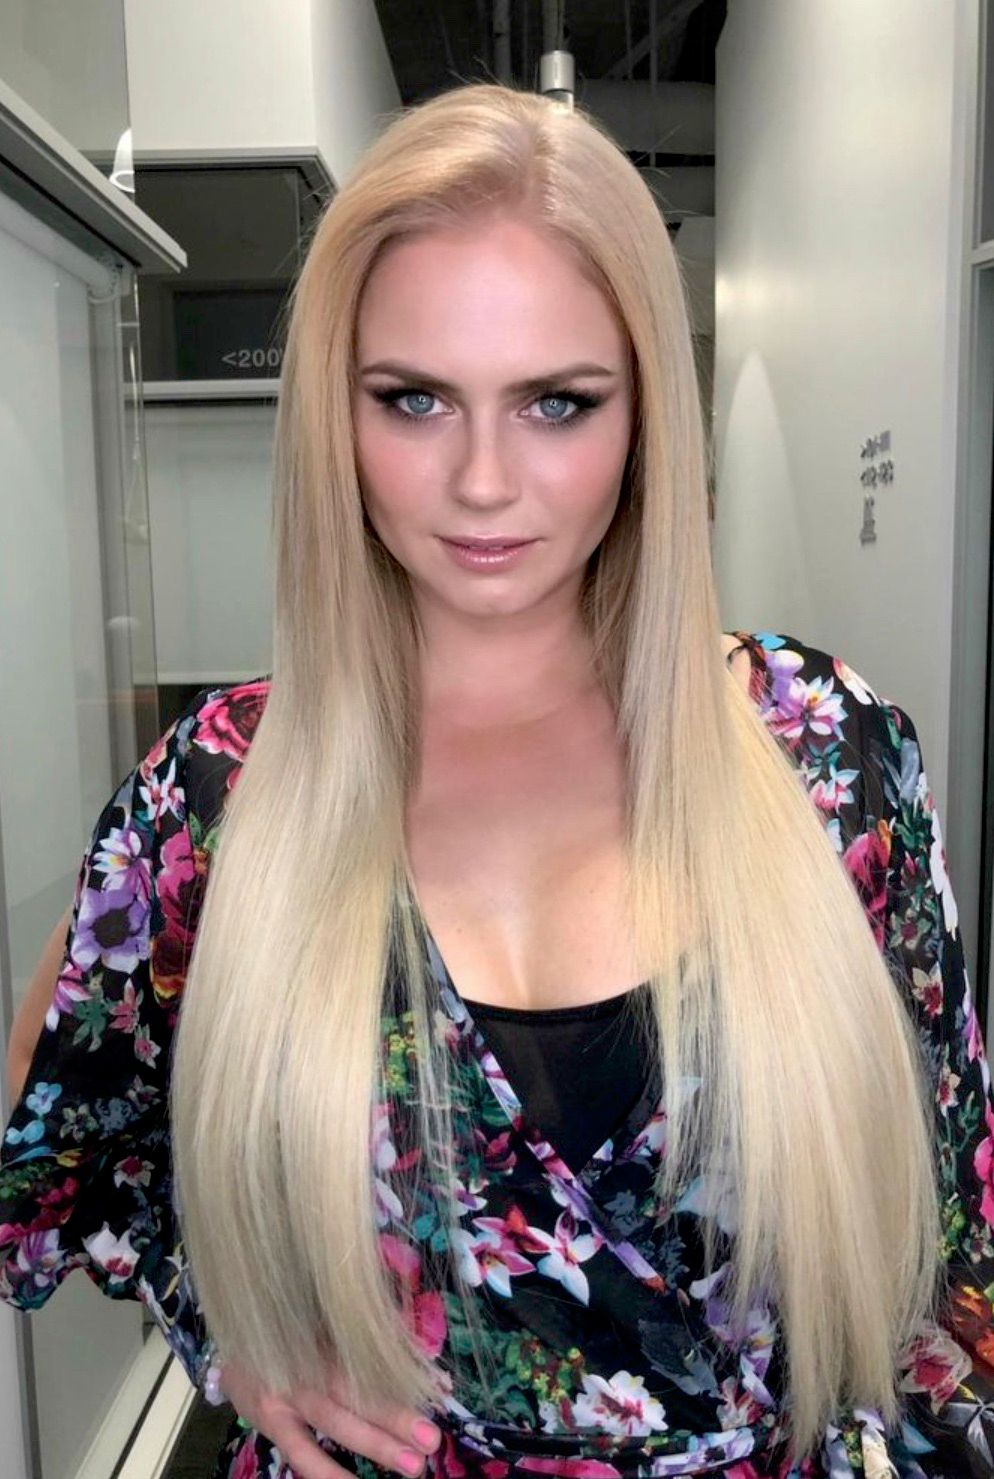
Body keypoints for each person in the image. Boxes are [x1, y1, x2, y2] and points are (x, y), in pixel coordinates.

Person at [2, 80, 993, 1479]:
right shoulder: (221, 796)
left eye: (555, 403)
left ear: (643, 414)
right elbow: (63, 1139)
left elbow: (952, 1232)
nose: (481, 481)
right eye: (413, 399)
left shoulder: (823, 754)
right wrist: (233, 1327)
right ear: (334, 413)